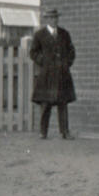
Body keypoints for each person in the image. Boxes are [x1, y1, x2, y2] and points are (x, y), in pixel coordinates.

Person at [29, 8, 76, 139]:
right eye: (51, 18)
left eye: (56, 18)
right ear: (47, 20)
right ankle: (43, 132)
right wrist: (43, 61)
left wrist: (66, 64)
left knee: (63, 104)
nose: (54, 20)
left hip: (62, 74)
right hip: (47, 75)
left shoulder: (64, 34)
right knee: (45, 104)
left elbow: (71, 51)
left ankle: (65, 131)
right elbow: (33, 52)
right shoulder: (39, 35)